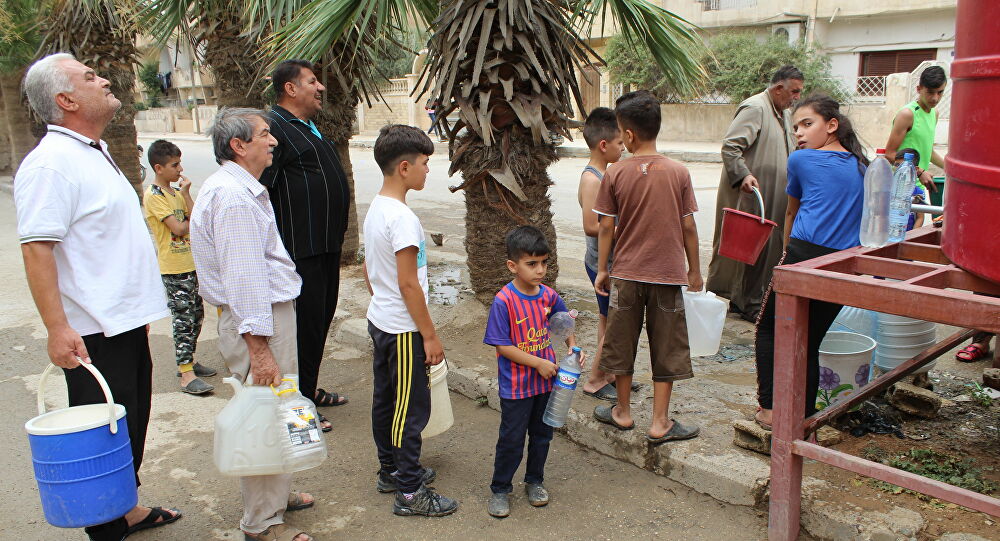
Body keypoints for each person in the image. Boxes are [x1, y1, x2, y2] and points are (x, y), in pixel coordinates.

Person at [15, 52, 180, 541]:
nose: (104, 78)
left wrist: (135, 308)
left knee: (128, 426)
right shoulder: (51, 164)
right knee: (103, 436)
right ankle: (106, 527)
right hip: (92, 332)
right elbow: (38, 249)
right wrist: (57, 328)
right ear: (66, 100)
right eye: (90, 77)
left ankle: (124, 507)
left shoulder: (90, 150)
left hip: (122, 320)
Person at [190, 107, 314, 541]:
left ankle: (275, 497)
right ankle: (262, 523)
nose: (274, 141)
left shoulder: (239, 190)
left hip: (261, 319)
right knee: (264, 415)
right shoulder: (234, 198)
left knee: (279, 409)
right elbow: (244, 281)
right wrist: (260, 351)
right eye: (265, 134)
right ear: (239, 146)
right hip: (258, 323)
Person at [591, 90, 702, 444]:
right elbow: (688, 226)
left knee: (621, 343)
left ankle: (622, 412)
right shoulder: (678, 172)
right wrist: (695, 270)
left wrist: (604, 269)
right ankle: (659, 422)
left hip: (625, 274)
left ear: (628, 135)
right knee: (666, 346)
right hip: (668, 276)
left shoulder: (615, 173)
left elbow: (606, 226)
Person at [753, 94, 870, 430]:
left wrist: (785, 255)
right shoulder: (862, 166)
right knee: (810, 339)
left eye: (807, 124)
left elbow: (792, 210)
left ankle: (771, 410)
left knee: (769, 330)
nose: (799, 134)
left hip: (804, 255)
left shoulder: (801, 161)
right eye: (795, 128)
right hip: (845, 264)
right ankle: (802, 416)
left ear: (831, 125)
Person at [363, 124, 458, 517]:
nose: (427, 170)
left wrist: (385, 304)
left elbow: (372, 273)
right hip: (402, 327)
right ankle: (409, 491)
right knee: (410, 409)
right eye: (424, 162)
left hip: (381, 320)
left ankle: (392, 470)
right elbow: (409, 284)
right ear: (404, 167)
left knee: (387, 400)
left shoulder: (377, 208)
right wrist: (430, 336)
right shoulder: (401, 218)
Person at [261, 60, 351, 432]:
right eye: (312, 82)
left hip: (324, 246)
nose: (321, 88)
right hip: (301, 248)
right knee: (301, 327)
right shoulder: (274, 128)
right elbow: (262, 187)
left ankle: (309, 390)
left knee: (319, 320)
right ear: (290, 89)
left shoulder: (305, 126)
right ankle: (296, 404)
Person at [484, 225, 581, 518]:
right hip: (516, 387)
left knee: (542, 436)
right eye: (532, 264)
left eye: (544, 263)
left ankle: (535, 481)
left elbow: (563, 323)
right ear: (513, 266)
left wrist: (573, 347)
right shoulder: (504, 301)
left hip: (546, 384)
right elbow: (502, 347)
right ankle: (500, 489)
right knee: (511, 439)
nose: (540, 270)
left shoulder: (548, 296)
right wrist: (537, 362)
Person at [707, 65, 803, 322]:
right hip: (752, 195)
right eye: (793, 92)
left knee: (768, 250)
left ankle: (745, 301)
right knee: (753, 251)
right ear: (778, 88)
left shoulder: (782, 112)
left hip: (774, 194)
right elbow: (731, 147)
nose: (796, 97)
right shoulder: (756, 107)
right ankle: (750, 304)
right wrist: (744, 175)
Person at [142, 139, 215, 395]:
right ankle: (185, 373)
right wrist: (187, 212)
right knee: (183, 319)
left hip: (190, 263)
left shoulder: (175, 193)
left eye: (180, 162)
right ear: (158, 168)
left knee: (196, 315)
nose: (180, 169)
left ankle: (190, 360)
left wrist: (185, 195)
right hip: (174, 267)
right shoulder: (154, 196)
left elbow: (195, 219)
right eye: (174, 165)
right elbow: (181, 227)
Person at [577, 107, 625, 401]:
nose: (623, 148)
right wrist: (628, 229)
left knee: (607, 321)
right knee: (615, 325)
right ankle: (595, 380)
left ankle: (609, 373)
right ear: (603, 145)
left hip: (605, 261)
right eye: (620, 143)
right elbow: (591, 225)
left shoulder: (604, 174)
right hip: (601, 263)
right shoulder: (592, 179)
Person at [885, 65, 947, 196]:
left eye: (940, 92)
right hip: (900, 186)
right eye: (930, 92)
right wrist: (919, 171)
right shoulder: (907, 114)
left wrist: (950, 168)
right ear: (919, 89)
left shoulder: (934, 113)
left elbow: (927, 151)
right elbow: (890, 154)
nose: (935, 98)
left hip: (919, 186)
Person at [892, 147, 928, 230]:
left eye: (904, 166)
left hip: (907, 235)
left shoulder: (917, 192)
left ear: (915, 169)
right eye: (897, 165)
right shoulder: (889, 189)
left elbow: (920, 217)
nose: (899, 169)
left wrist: (912, 236)